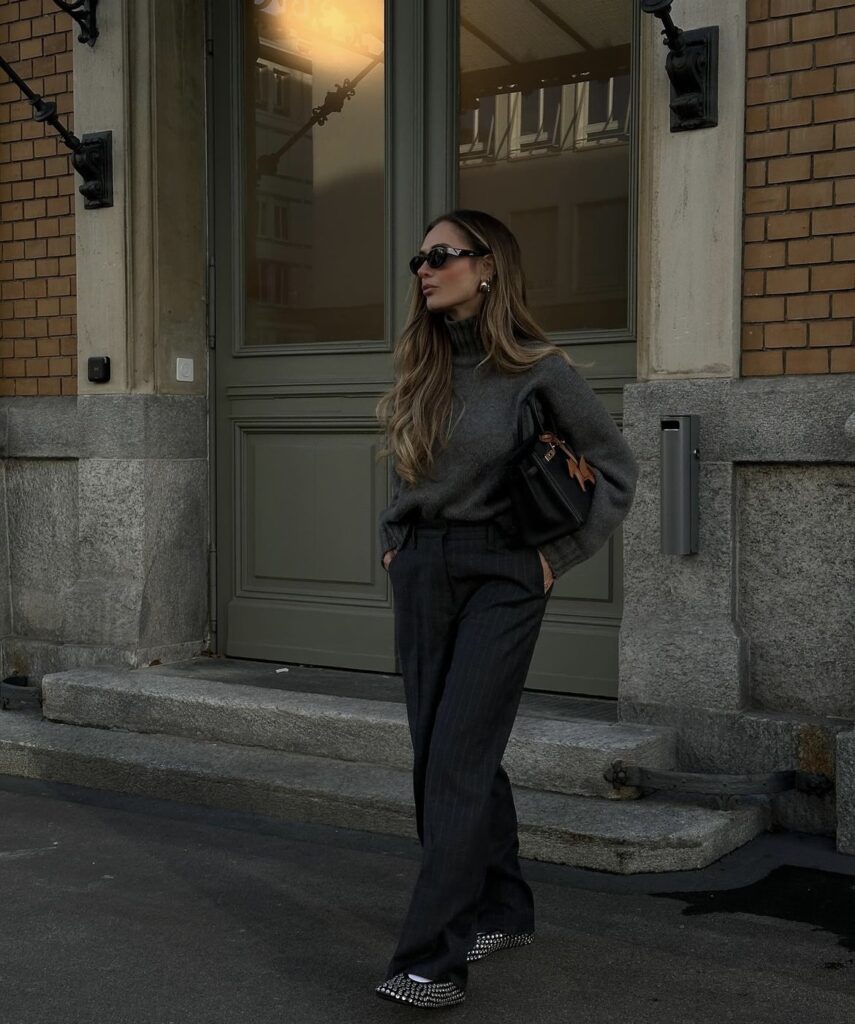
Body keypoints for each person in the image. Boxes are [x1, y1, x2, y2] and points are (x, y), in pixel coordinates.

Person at [373, 209, 638, 1009]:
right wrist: (393, 541)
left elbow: (615, 469)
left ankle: (433, 959)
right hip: (424, 569)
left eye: (443, 255)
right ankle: (505, 907)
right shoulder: (423, 368)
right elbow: (406, 475)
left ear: (488, 268)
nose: (425, 268)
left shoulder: (537, 369)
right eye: (420, 257)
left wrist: (554, 557)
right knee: (445, 756)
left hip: (502, 572)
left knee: (455, 758)